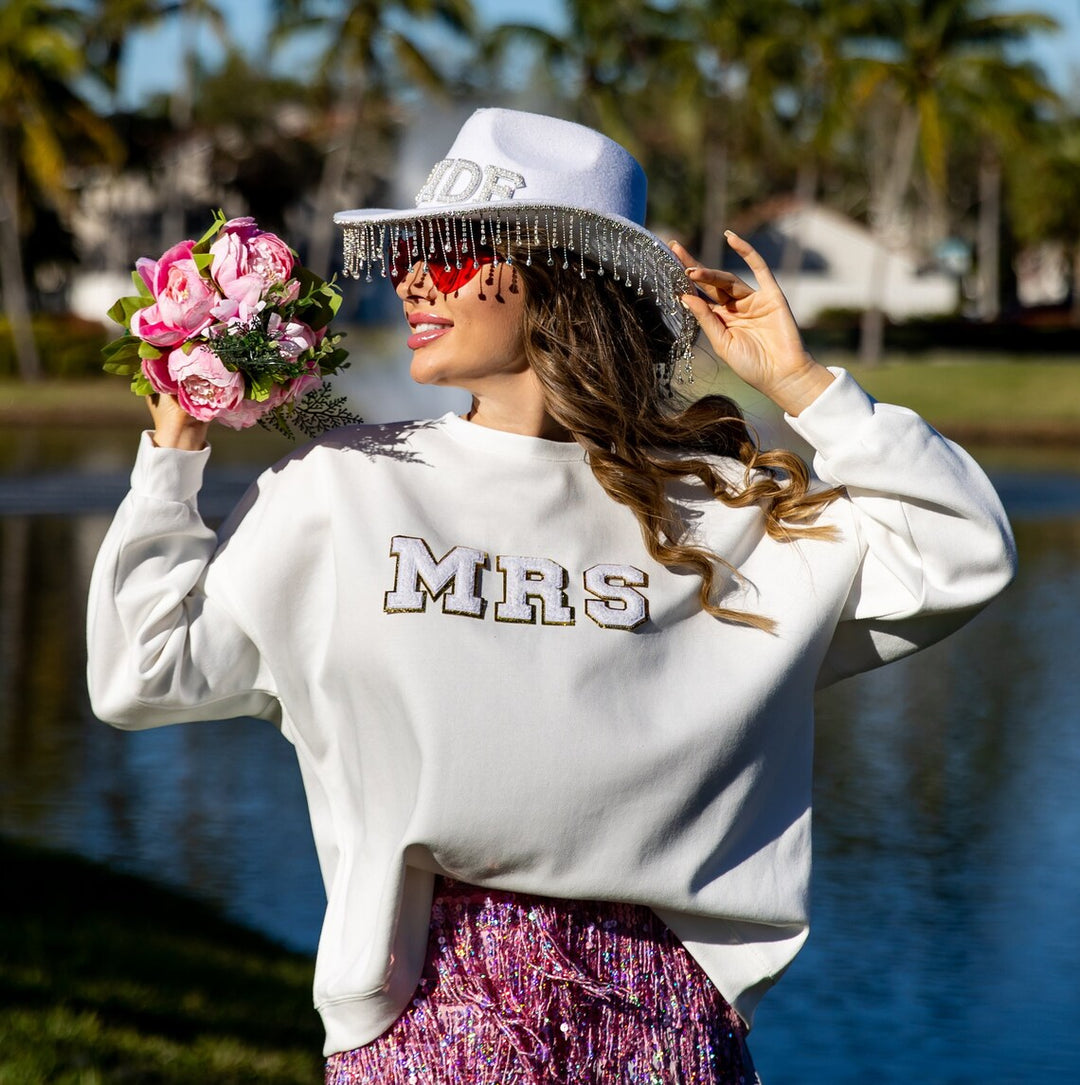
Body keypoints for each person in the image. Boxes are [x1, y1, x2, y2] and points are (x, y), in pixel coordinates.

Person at [87, 108, 1016, 1084]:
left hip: (666, 1027)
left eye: (447, 253)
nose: (409, 279)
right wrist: (172, 456)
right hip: (427, 1013)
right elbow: (143, 672)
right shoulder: (345, 484)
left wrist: (804, 383)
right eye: (406, 252)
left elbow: (960, 552)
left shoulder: (723, 508)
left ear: (559, 269)